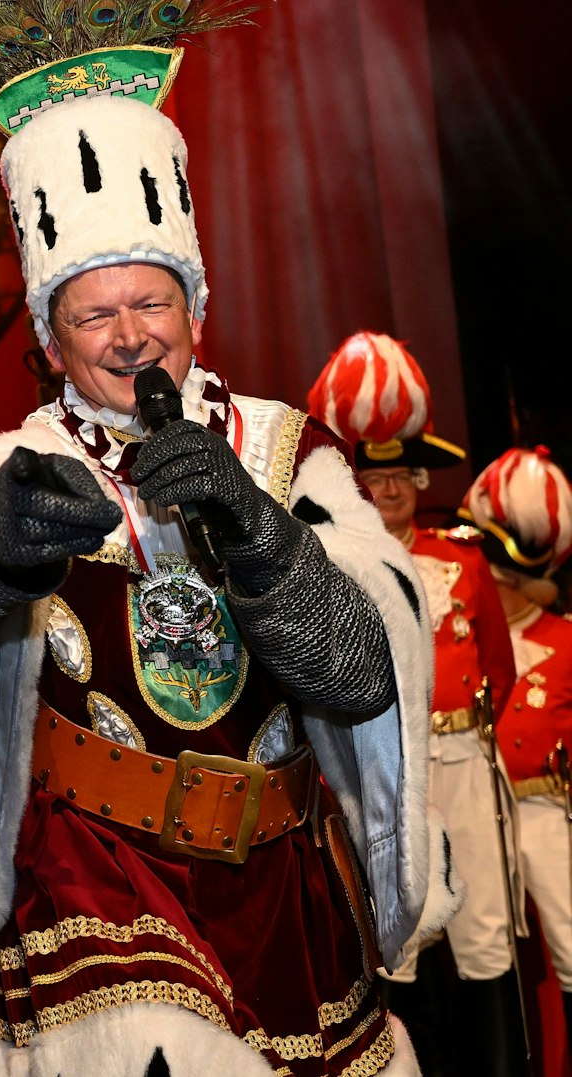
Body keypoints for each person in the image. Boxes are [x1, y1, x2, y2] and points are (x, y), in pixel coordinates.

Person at [0, 0, 459, 1071]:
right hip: (91, 881)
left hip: (276, 883)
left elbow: (364, 672)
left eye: (149, 302)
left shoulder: (284, 450)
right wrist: (8, 542)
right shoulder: (14, 463)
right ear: (44, 336)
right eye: (90, 315)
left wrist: (261, 537)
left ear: (195, 302)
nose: (127, 338)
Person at [308, 331, 525, 1072]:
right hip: (384, 763)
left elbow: (497, 663)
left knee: (485, 939)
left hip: (463, 759)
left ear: (420, 482)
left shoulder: (463, 559)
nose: (393, 488)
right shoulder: (339, 564)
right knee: (396, 943)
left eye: (405, 477)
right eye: (379, 477)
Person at [462, 448, 572, 1015]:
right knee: (485, 948)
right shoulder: (461, 636)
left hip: (544, 809)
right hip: (477, 805)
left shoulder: (566, 639)